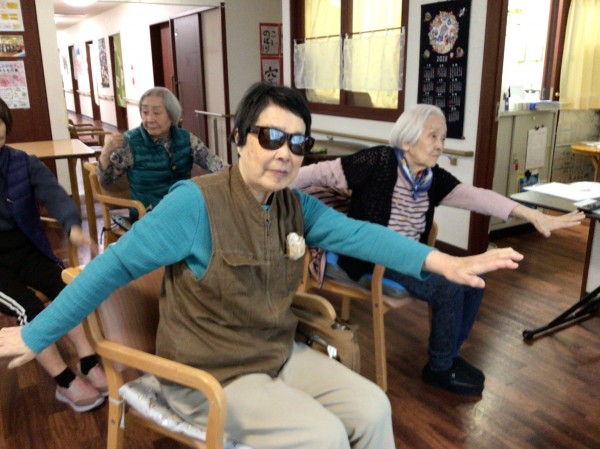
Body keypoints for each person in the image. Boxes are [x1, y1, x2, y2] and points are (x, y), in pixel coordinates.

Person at [0, 83, 523, 449]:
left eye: (298, 142)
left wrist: (441, 262)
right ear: (240, 139)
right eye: (271, 137)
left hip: (276, 353)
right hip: (211, 375)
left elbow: (362, 234)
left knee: (374, 409)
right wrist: (36, 333)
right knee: (324, 437)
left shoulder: (295, 205)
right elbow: (108, 268)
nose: (285, 153)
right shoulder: (194, 204)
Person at [291, 103, 584, 397]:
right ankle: (440, 367)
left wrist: (530, 214)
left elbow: (476, 196)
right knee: (448, 287)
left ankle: (449, 352)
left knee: (474, 280)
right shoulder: (377, 161)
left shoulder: (432, 178)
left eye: (443, 138)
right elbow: (319, 173)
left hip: (414, 257)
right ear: (408, 139)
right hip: (373, 258)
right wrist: (277, 187)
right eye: (433, 136)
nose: (440, 145)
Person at [0, 97, 107, 413]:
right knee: (29, 309)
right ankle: (64, 380)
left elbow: (54, 193)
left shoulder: (21, 163)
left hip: (24, 248)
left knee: (67, 291)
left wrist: (72, 225)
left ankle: (88, 361)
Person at [97, 86, 226, 221]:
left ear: (171, 115)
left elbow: (213, 162)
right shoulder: (130, 142)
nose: (150, 119)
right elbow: (105, 180)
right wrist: (106, 152)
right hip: (148, 217)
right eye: (145, 112)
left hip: (182, 211)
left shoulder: (186, 139)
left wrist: (236, 173)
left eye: (157, 113)